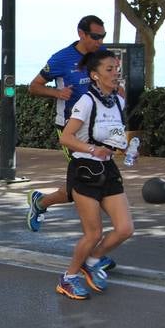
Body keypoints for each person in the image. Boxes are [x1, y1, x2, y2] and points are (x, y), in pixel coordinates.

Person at [54, 49, 135, 300]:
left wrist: (127, 147)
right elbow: (66, 139)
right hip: (84, 171)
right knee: (94, 233)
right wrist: (92, 149)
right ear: (95, 75)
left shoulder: (118, 101)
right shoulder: (86, 101)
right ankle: (68, 278)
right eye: (109, 70)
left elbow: (114, 138)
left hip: (108, 170)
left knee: (125, 229)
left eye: (117, 69)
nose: (115, 73)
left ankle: (93, 260)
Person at [25, 16, 110, 233]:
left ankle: (41, 202)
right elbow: (33, 87)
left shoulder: (102, 56)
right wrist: (57, 92)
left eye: (103, 36)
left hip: (97, 129)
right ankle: (91, 239)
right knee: (83, 183)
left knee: (93, 182)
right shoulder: (61, 58)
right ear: (81, 34)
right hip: (70, 130)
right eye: (95, 36)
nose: (99, 41)